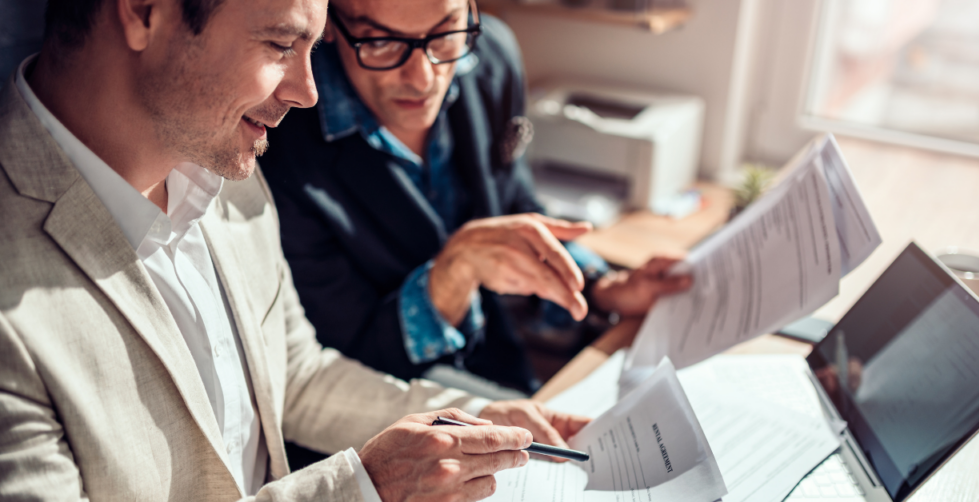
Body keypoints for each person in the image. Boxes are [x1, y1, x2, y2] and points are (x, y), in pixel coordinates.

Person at [0, 0, 589, 500]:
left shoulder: (223, 169)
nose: (307, 92)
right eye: (282, 44)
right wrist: (362, 489)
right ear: (143, 11)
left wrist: (466, 419)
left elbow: (297, 377)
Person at [258, 0, 693, 399]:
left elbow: (514, 211)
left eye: (446, 32)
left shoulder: (490, 57)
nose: (423, 77)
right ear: (328, 23)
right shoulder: (276, 140)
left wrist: (603, 289)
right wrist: (451, 275)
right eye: (383, 42)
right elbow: (335, 365)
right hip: (388, 410)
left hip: (501, 368)